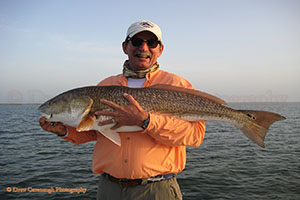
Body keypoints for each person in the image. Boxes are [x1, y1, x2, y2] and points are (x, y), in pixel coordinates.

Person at [39, 20, 206, 200]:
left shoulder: (177, 85)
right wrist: (64, 131)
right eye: (136, 42)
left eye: (151, 43)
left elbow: (194, 136)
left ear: (160, 49)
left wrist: (146, 121)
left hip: (157, 190)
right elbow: (96, 132)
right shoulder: (105, 86)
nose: (144, 47)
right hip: (109, 189)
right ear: (125, 46)